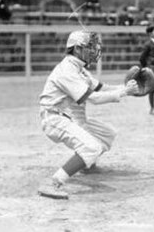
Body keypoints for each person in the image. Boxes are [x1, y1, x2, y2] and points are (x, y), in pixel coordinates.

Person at [37, 30, 139, 199]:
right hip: (53, 118)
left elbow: (102, 88)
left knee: (107, 134)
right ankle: (54, 182)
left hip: (65, 116)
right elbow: (94, 99)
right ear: (76, 49)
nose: (94, 50)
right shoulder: (67, 70)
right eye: (89, 47)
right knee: (92, 147)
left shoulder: (80, 68)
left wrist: (126, 87)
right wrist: (124, 92)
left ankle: (87, 165)